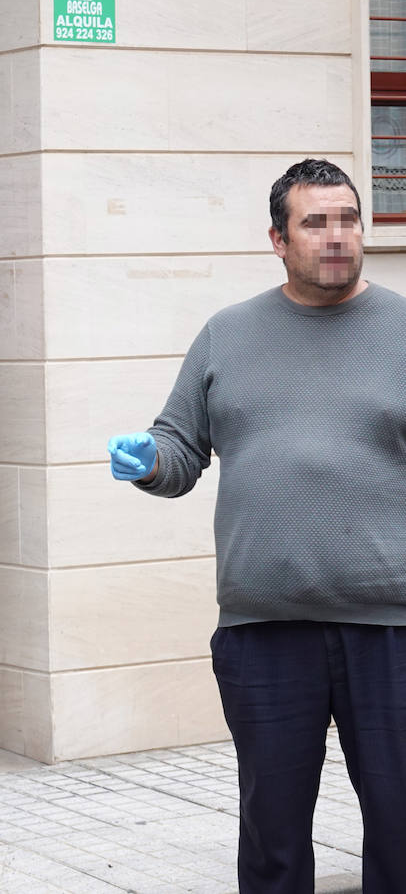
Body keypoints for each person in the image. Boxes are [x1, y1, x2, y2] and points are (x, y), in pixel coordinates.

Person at [107, 158, 406, 894]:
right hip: (263, 632)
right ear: (278, 238)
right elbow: (179, 450)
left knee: (402, 829)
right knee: (271, 837)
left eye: (347, 219)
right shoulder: (227, 334)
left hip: (392, 629)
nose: (337, 237)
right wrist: (148, 461)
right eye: (315, 222)